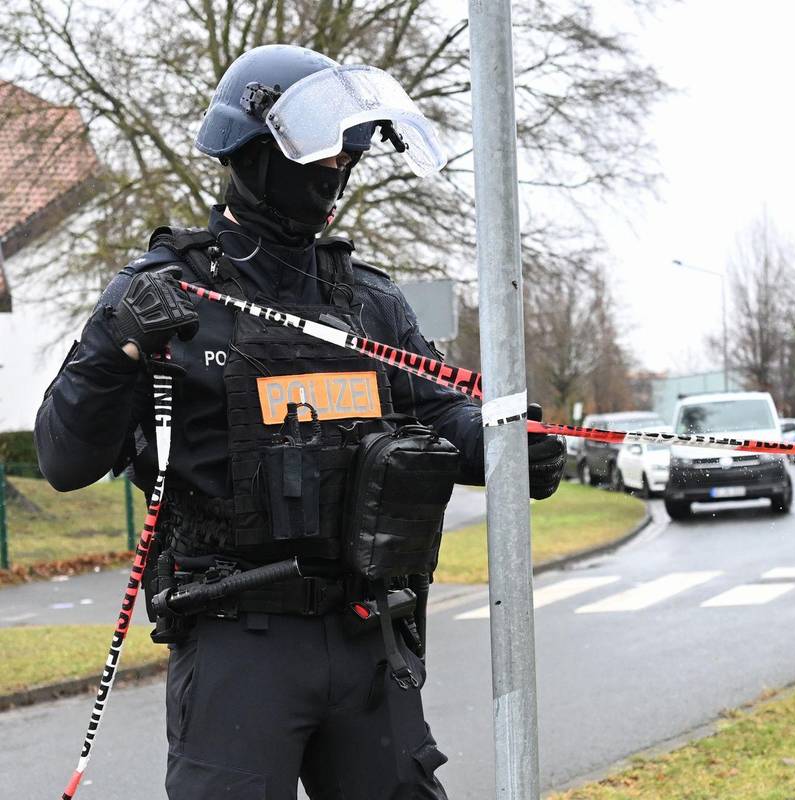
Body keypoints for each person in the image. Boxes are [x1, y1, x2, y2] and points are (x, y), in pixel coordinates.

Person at [34, 45, 565, 799]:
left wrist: (510, 445)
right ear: (251, 153)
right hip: (236, 641)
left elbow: (442, 410)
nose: (337, 172)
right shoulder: (162, 295)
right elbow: (63, 459)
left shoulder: (367, 300)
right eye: (321, 154)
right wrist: (115, 348)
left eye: (347, 158)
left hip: (367, 632)